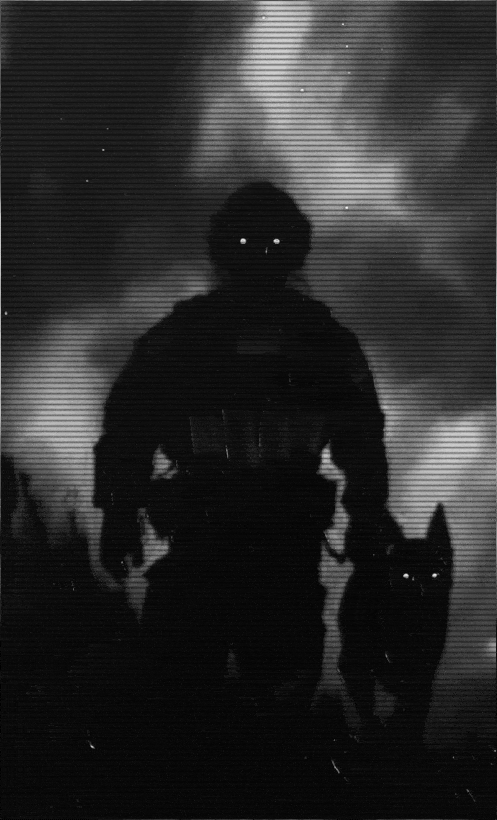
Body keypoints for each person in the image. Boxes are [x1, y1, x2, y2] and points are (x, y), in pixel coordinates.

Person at [94, 181, 395, 718]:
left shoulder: (192, 337)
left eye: (272, 244)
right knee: (186, 702)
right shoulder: (319, 341)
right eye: (247, 243)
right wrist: (118, 512)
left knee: (246, 701)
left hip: (262, 551)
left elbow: (363, 439)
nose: (260, 256)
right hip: (229, 547)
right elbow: (127, 426)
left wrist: (369, 519)